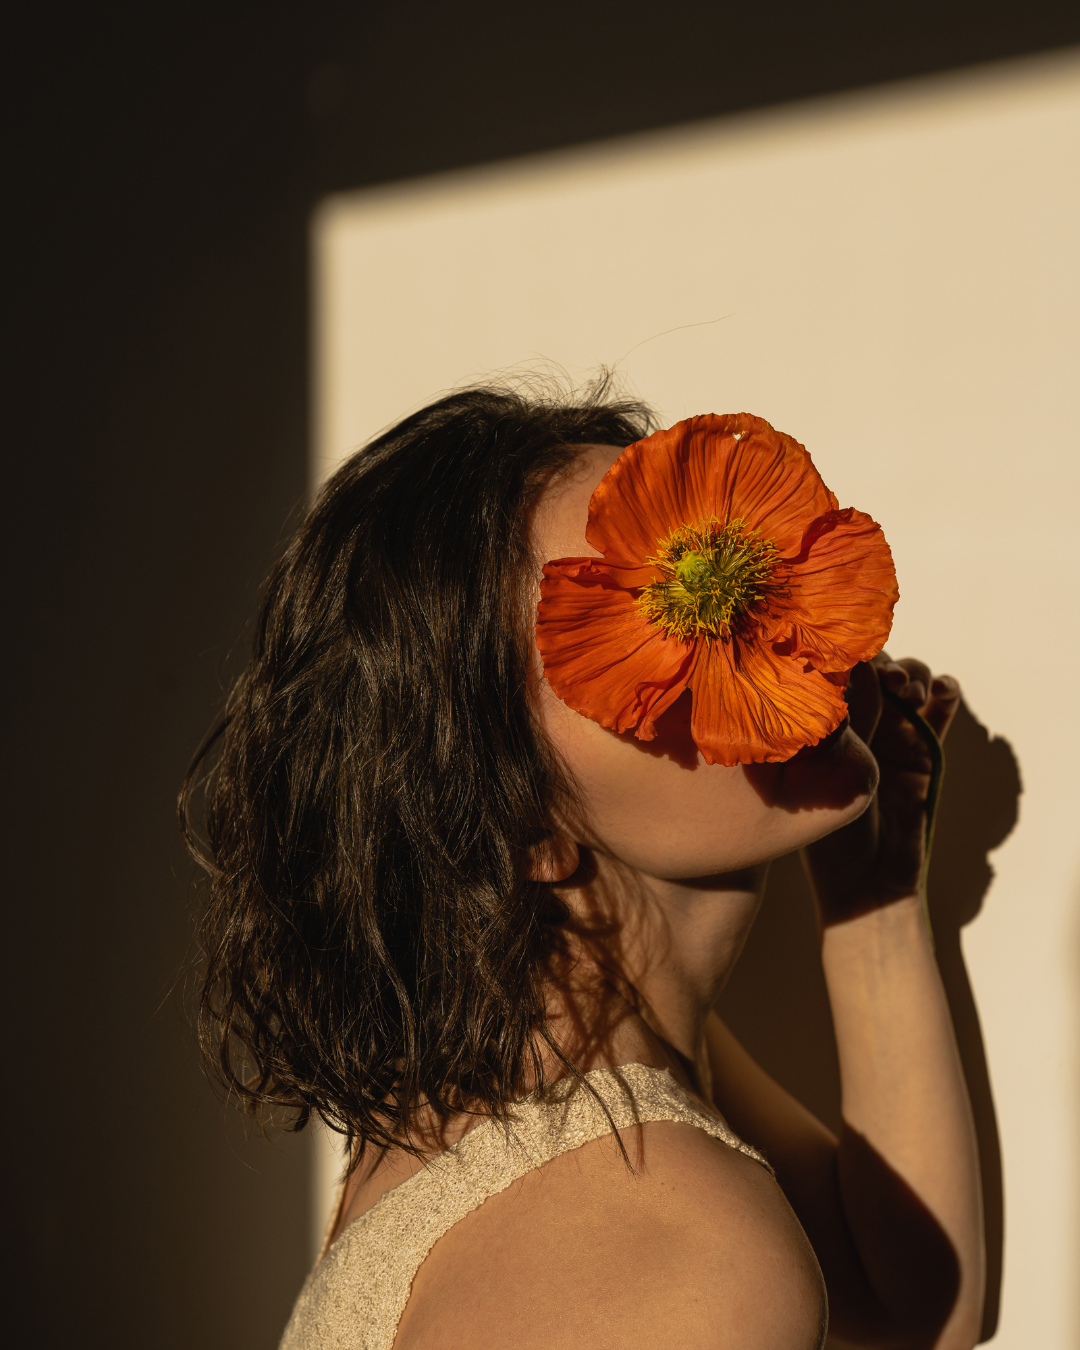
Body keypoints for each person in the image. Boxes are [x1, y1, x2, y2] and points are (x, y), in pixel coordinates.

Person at [182, 381, 985, 1350]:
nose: (737, 606)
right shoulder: (666, 1244)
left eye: (716, 545)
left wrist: (876, 899)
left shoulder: (567, 1074)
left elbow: (914, 1313)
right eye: (653, 615)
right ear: (518, 822)